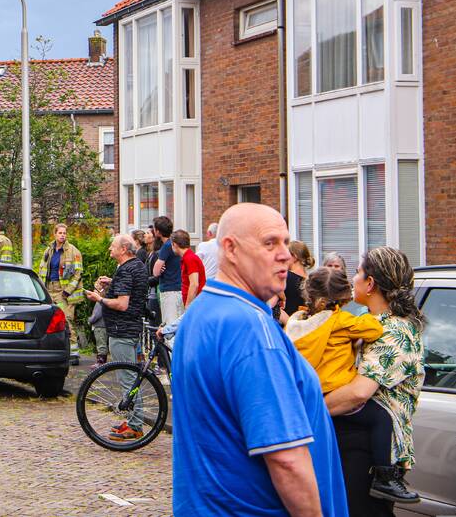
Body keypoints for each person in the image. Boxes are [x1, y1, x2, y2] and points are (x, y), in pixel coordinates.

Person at [171, 203, 347, 516]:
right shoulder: (252, 330)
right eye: (270, 243)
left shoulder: (199, 314)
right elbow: (286, 458)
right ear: (231, 248)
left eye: (285, 242)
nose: (285, 254)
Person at [286, 268, 414, 503]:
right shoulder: (340, 321)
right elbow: (374, 330)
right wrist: (366, 318)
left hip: (312, 390)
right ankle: (385, 476)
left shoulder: (300, 322)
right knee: (381, 418)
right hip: (337, 389)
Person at [325, 247, 427, 515]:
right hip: (352, 437)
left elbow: (359, 392)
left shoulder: (394, 330)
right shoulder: (367, 321)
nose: (352, 279)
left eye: (358, 272)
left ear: (370, 283)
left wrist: (311, 408)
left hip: (370, 448)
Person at [85, 234, 148, 440]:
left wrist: (99, 298)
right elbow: (133, 288)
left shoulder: (126, 270)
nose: (109, 249)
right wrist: (112, 283)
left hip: (122, 329)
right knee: (129, 376)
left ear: (123, 249)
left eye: (112, 246)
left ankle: (136, 424)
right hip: (132, 328)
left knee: (127, 378)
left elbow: (122, 304)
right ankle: (132, 419)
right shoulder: (137, 265)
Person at [38, 224, 84, 364]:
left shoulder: (73, 251)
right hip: (49, 289)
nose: (62, 235)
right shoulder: (49, 250)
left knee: (67, 320)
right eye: (60, 233)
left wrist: (67, 291)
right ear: (55, 234)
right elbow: (42, 270)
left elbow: (78, 273)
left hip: (63, 291)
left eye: (64, 233)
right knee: (49, 320)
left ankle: (74, 354)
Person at [151, 216, 184, 329]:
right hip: (180, 288)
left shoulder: (166, 246)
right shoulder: (176, 244)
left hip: (169, 291)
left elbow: (155, 272)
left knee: (169, 325)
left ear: (158, 232)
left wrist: (158, 268)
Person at [173, 230, 205, 310]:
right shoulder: (188, 258)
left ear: (174, 244)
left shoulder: (189, 258)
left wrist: (188, 305)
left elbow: (194, 284)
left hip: (196, 306)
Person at [286, 240, 315, 317]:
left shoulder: (285, 277)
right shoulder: (312, 282)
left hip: (287, 326)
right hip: (305, 325)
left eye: (286, 254)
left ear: (295, 257)